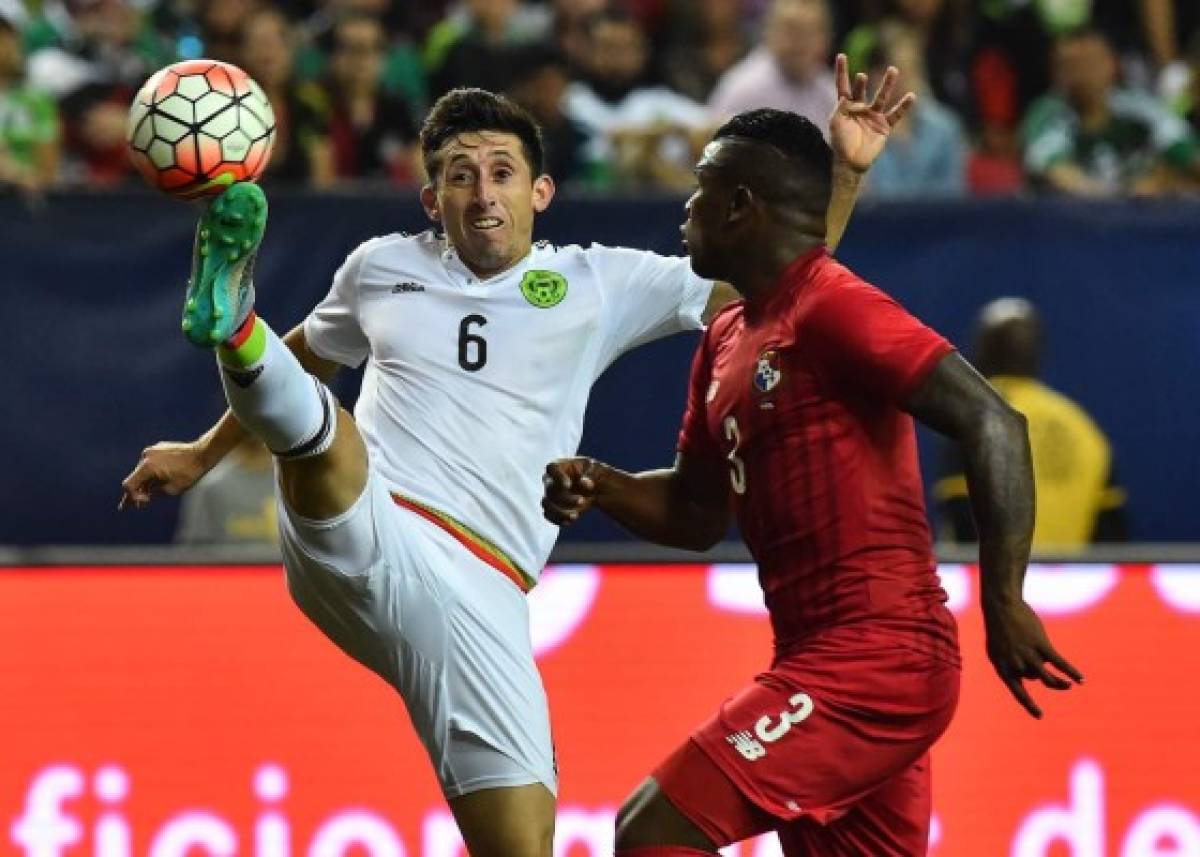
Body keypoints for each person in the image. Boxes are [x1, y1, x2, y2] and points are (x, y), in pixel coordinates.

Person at [120, 60, 911, 856]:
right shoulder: (380, 267)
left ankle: (238, 331)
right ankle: (234, 321)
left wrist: (843, 173)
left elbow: (775, 280)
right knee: (324, 437)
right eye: (459, 177)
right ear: (433, 201)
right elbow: (314, 351)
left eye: (502, 173)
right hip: (375, 526)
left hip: (485, 597)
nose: (482, 193)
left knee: (522, 844)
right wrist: (204, 452)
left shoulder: (595, 283)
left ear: (541, 192)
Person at [542, 110, 1082, 856]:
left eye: (702, 189)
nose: (686, 207)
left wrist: (1004, 599)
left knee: (650, 833)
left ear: (741, 206)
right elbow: (696, 512)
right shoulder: (729, 338)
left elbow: (994, 420)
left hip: (880, 657)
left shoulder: (834, 304)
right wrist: (602, 484)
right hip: (816, 656)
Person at [937, 298, 1128, 548]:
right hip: (1069, 582)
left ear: (981, 350)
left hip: (990, 580)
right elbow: (1110, 530)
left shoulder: (974, 412)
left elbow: (961, 511)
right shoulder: (1082, 427)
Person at [1022, 27, 1200, 196]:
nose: (1080, 74)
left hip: (1144, 214)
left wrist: (1162, 180)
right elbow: (1056, 172)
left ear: (1111, 64)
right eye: (1069, 65)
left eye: (1088, 63)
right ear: (1055, 72)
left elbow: (1188, 154)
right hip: (1074, 216)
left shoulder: (1142, 107)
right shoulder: (1047, 112)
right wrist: (1119, 199)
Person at [707, 0, 838, 131]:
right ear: (769, 31)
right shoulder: (743, 88)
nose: (800, 42)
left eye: (809, 32)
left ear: (825, 38)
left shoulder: (829, 92)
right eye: (791, 30)